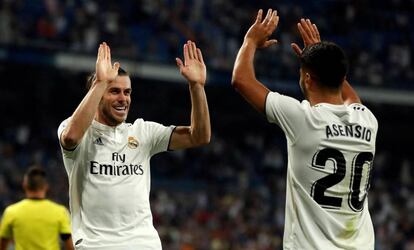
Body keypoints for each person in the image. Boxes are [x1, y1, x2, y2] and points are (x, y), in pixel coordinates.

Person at [232, 9, 378, 250]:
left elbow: (241, 79)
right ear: (341, 77)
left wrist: (250, 41)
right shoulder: (368, 121)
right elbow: (350, 97)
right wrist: (320, 55)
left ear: (308, 79)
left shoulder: (303, 119)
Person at [57, 40, 210, 250]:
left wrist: (197, 87)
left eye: (127, 92)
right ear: (98, 93)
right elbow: (71, 138)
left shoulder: (142, 132)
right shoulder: (75, 129)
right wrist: (101, 81)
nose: (123, 99)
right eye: (114, 91)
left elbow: (199, 136)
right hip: (96, 245)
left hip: (143, 243)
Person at [0, 166, 74, 250]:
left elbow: (2, 245)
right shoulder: (60, 212)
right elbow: (70, 246)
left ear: (24, 185)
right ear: (46, 186)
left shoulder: (11, 212)